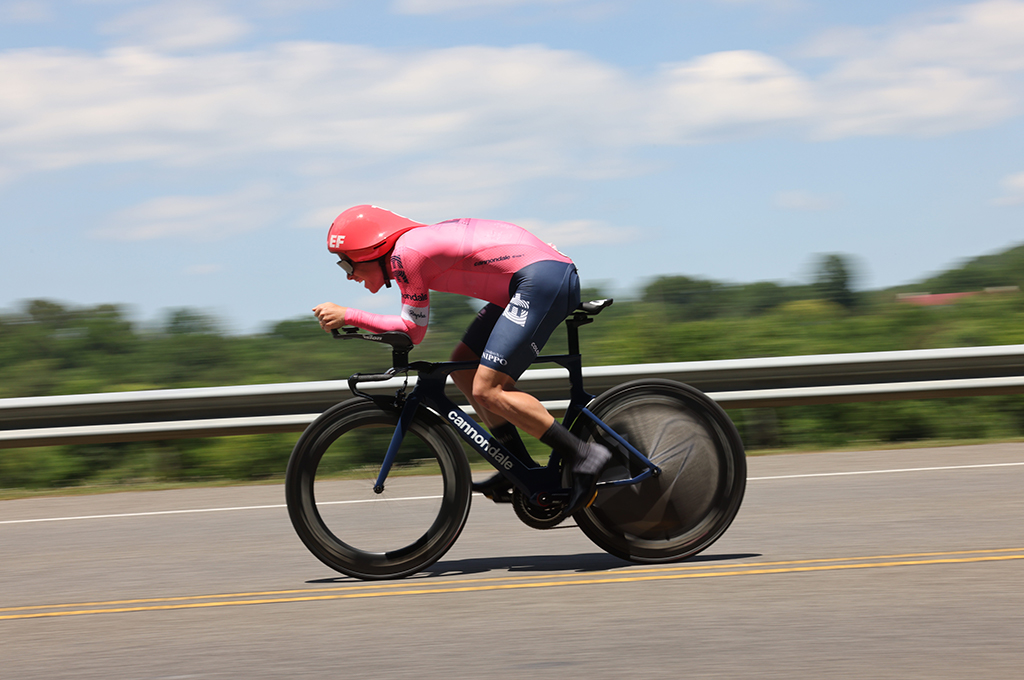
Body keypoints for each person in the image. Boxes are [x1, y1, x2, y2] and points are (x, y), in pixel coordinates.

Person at [313, 204, 610, 518]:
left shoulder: (405, 256)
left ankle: (583, 454)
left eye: (348, 267)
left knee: (488, 389)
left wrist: (349, 315)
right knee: (464, 366)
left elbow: (412, 332)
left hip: (540, 279)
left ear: (371, 252)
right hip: (527, 281)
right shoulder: (408, 249)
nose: (349, 277)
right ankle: (519, 468)